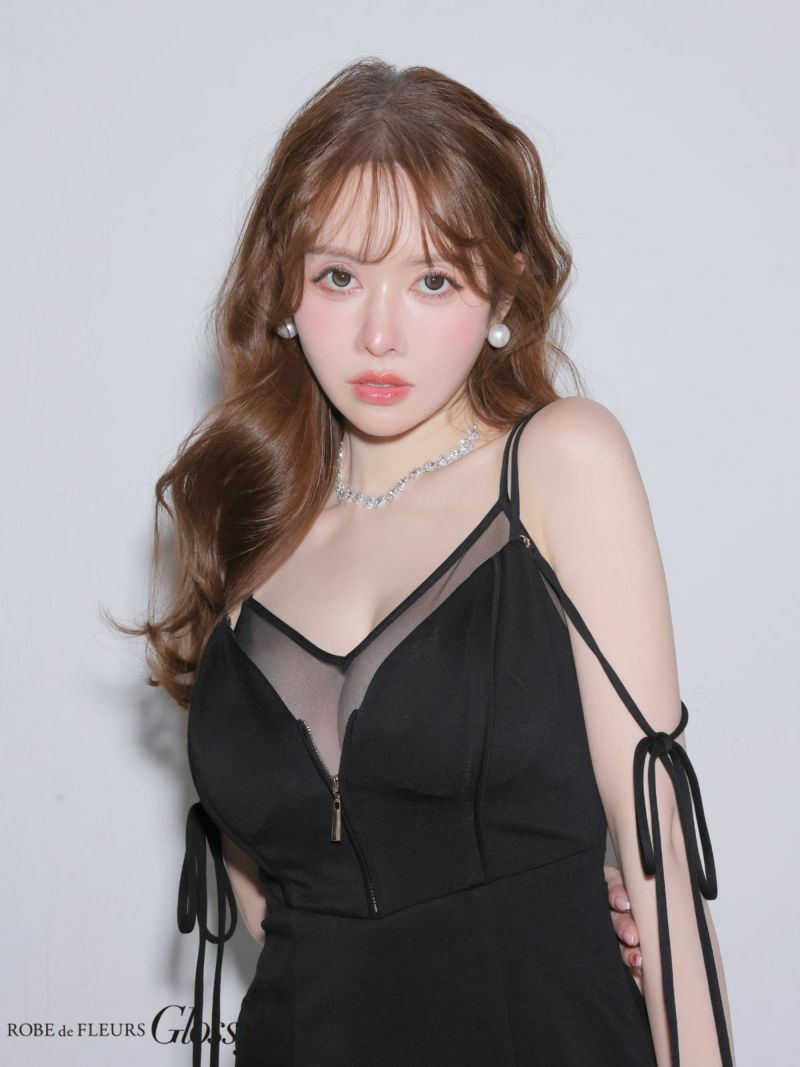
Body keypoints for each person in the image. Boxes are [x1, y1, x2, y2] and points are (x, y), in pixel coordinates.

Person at [121, 58, 736, 1066]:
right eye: (339, 276)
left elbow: (658, 843)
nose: (378, 333)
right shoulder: (244, 518)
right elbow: (273, 889)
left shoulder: (558, 464)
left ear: (503, 290)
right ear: (285, 288)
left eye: (432, 280)